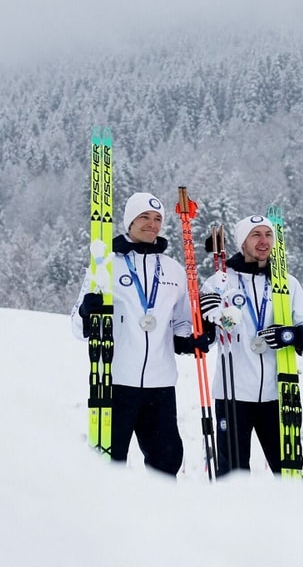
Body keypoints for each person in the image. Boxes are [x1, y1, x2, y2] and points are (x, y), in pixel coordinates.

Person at [71, 192, 212, 476]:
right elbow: (76, 326)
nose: (152, 224)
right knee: (110, 463)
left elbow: (182, 323)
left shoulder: (173, 269)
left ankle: (161, 517)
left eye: (157, 218)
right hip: (116, 382)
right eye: (144, 217)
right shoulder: (105, 264)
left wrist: (190, 340)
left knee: (167, 461)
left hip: (160, 387)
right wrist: (88, 310)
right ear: (130, 221)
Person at [198, 214, 303, 476]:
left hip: (278, 392)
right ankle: (236, 517)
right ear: (243, 242)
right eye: (256, 235)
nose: (264, 241)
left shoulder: (287, 282)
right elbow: (209, 336)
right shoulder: (220, 281)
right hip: (233, 393)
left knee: (289, 469)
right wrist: (210, 319)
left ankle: (297, 515)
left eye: (268, 235)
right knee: (233, 473)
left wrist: (293, 335)